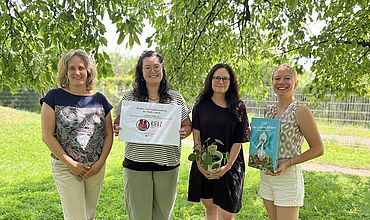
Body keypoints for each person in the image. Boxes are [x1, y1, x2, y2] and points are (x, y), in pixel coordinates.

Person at [113, 50, 192, 220]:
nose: (152, 71)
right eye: (147, 67)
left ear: (163, 70)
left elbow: (187, 125)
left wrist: (185, 131)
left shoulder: (175, 98)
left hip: (167, 164)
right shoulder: (130, 97)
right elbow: (118, 123)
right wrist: (119, 128)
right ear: (141, 72)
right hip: (136, 164)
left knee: (163, 216)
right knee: (139, 216)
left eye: (156, 67)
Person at [40, 49, 113, 220]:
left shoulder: (100, 100)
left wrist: (100, 163)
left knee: (88, 215)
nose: (77, 72)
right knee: (76, 217)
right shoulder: (54, 97)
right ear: (65, 72)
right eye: (71, 68)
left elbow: (109, 134)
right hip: (66, 167)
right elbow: (47, 136)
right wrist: (71, 164)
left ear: (89, 71)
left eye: (81, 68)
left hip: (95, 168)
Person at [260, 64, 324, 220]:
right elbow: (265, 141)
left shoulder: (300, 110)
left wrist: (287, 163)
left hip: (287, 177)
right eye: (277, 78)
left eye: (287, 78)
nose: (281, 82)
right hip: (266, 174)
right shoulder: (269, 110)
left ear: (295, 83)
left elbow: (318, 149)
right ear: (272, 82)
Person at [188, 63, 250, 220]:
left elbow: (239, 139)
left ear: (230, 82)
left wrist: (227, 166)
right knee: (210, 208)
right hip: (205, 162)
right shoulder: (201, 106)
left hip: (231, 164)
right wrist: (200, 164)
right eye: (216, 78)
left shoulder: (238, 107)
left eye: (225, 78)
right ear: (210, 80)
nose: (220, 82)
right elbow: (197, 138)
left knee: (227, 214)